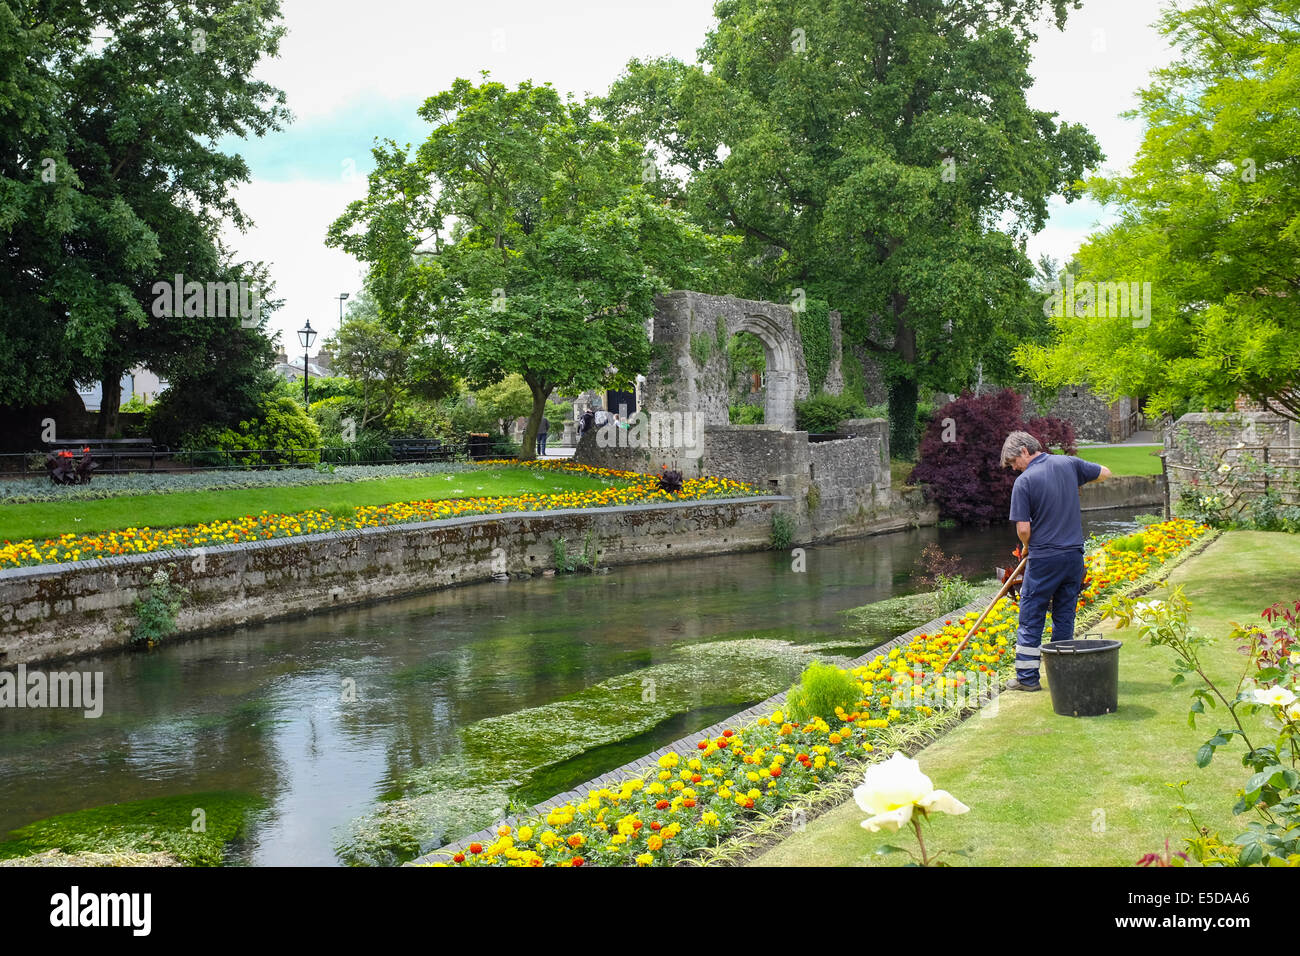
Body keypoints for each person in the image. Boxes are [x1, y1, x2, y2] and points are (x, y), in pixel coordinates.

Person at [1001, 431, 1111, 692]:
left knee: (1031, 616)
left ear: (1025, 450)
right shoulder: (1068, 464)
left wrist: (1026, 547)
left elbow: (1024, 529)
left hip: (1044, 559)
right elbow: (1105, 472)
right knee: (1064, 616)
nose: (1014, 468)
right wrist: (1072, 484)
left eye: (1013, 461)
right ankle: (1061, 674)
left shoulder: (1024, 482)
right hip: (1074, 557)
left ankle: (1027, 679)